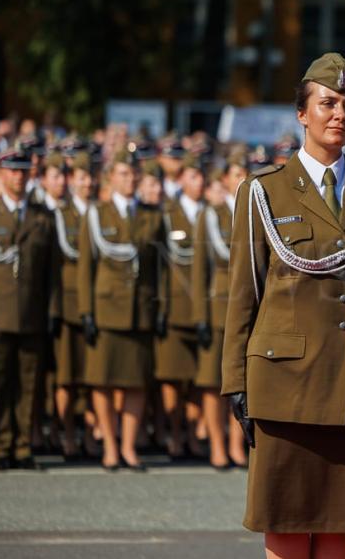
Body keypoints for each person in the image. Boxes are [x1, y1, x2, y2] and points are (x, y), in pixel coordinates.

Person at [222, 52, 345, 558]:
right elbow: (244, 295)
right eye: (327, 103)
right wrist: (235, 382)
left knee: (338, 527)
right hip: (286, 388)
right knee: (284, 525)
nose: (339, 114)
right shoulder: (265, 192)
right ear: (302, 113)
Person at [0, 146, 60, 471]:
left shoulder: (43, 217)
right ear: (2, 173)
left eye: (23, 171)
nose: (18, 177)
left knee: (27, 383)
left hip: (31, 314)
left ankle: (21, 446)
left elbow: (51, 274)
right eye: (12, 171)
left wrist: (52, 312)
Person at [78, 149, 164, 472]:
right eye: (124, 175)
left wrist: (161, 309)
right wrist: (86, 311)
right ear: (111, 178)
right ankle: (110, 447)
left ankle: (128, 446)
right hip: (107, 311)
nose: (130, 180)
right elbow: (87, 266)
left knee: (135, 382)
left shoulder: (151, 215)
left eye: (134, 175)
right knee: (103, 381)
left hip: (140, 309)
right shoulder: (96, 214)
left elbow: (161, 269)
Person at [191, 153, 249, 469]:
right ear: (225, 179)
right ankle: (216, 444)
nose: (241, 178)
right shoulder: (211, 215)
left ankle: (236, 443)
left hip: (248, 308)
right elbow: (200, 271)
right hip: (218, 309)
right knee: (214, 383)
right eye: (236, 173)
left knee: (243, 381)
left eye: (246, 173)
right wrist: (200, 316)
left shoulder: (258, 212)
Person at [155, 153, 206, 460]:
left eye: (201, 177)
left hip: (205, 307)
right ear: (181, 181)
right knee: (173, 376)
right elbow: (161, 264)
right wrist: (160, 307)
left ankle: (193, 434)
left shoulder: (211, 213)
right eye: (192, 177)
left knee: (199, 379)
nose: (197, 183)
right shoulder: (169, 213)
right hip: (175, 305)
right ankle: (174, 432)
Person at [49, 151, 98, 460]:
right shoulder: (61, 213)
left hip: (92, 302)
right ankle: (64, 431)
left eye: (90, 177)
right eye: (81, 178)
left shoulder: (96, 213)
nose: (87, 183)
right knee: (66, 375)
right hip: (67, 303)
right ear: (71, 181)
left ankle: (89, 434)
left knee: (89, 375)